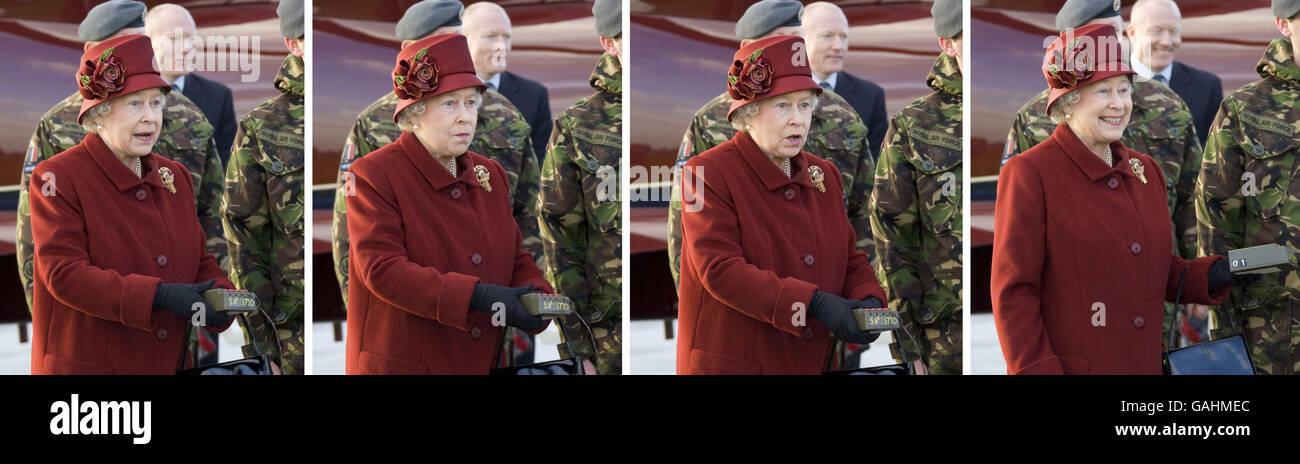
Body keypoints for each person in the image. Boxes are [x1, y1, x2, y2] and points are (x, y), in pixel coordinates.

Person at [992, 24, 1241, 375]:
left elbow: (1147, 266)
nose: (1118, 104)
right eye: (1103, 91)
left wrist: (1209, 274)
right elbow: (1014, 292)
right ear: (1068, 102)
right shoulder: (1030, 173)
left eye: (1124, 90)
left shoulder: (1145, 170)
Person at [677, 35, 888, 375]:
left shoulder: (824, 174)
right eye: (782, 106)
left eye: (804, 105)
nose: (798, 119)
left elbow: (849, 257)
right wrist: (812, 303)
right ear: (747, 114)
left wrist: (870, 298)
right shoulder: (705, 172)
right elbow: (720, 269)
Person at [345, 34, 552, 374]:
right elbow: (382, 270)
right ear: (413, 115)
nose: (465, 117)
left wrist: (539, 295)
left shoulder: (490, 174)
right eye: (449, 104)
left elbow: (515, 256)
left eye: (471, 103)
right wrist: (477, 296)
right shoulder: (373, 174)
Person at [29, 34, 236, 374]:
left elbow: (199, 260)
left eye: (156, 103)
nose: (150, 118)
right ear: (99, 114)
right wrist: (159, 296)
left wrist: (223, 295)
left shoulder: (175, 176)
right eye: (134, 104)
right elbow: (64, 275)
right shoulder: (58, 176)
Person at [17, 0, 226, 315]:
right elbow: (35, 238)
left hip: (183, 313)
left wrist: (217, 292)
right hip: (96, 311)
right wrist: (48, 316)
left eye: (143, 45)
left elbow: (211, 213)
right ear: (92, 49)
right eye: (123, 46)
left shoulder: (189, 116)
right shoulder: (56, 125)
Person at [332, 0, 540, 309]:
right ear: (408, 48)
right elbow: (350, 233)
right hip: (413, 305)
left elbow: (529, 214)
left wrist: (531, 295)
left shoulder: (507, 115)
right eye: (440, 42)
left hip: (501, 310)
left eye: (459, 42)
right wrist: (363, 312)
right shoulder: (373, 122)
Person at [667, 0, 874, 289]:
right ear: (747, 47)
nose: (790, 50)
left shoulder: (843, 115)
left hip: (829, 302)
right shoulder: (710, 121)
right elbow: (685, 225)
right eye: (779, 40)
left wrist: (864, 295)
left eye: (797, 41)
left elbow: (864, 212)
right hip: (749, 296)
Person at [1004, 0, 1202, 261]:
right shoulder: (1033, 118)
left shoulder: (1168, 106)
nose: (1112, 44)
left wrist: (1193, 277)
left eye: (1115, 33)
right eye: (1097, 36)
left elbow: (1192, 199)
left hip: (1160, 285)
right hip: (1076, 283)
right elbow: (1016, 222)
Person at [1195, 0, 1300, 375]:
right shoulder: (1243, 111)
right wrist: (1225, 335)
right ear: (1283, 24)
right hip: (1273, 336)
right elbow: (1217, 226)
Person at [869, 0, 962, 375]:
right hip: (945, 341)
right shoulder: (912, 126)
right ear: (947, 44)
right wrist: (907, 347)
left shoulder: (1030, 116)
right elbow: (892, 240)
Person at [537, 0, 622, 375]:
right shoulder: (578, 125)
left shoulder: (680, 111)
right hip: (608, 338)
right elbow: (559, 237)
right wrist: (576, 345)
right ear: (610, 44)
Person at [223, 0, 305, 375]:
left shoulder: (373, 117)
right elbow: (243, 240)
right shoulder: (261, 127)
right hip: (292, 339)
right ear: (294, 44)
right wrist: (260, 345)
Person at [146, 3, 238, 163]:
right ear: (148, 42)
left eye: (191, 38)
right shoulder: (132, 96)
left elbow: (228, 168)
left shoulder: (218, 97)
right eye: (173, 39)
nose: (186, 48)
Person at [1125, 0, 1223, 147]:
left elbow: (1213, 155)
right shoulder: (1110, 84)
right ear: (1132, 33)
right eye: (1156, 31)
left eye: (1173, 31)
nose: (1166, 41)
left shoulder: (1207, 87)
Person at [463, 1, 552, 163]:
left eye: (507, 37)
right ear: (464, 40)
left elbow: (542, 165)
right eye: (490, 36)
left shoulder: (534, 96)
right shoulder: (448, 94)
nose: (501, 46)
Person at [802, 2, 887, 156]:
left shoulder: (871, 96)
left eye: (844, 37)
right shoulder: (783, 92)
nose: (838, 46)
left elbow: (877, 165)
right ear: (801, 39)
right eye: (827, 36)